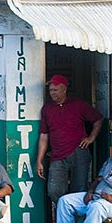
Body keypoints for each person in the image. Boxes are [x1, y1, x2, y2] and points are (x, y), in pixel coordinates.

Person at [36, 74, 104, 205]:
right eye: (50, 90)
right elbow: (44, 135)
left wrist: (91, 137)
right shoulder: (47, 109)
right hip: (57, 156)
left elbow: (98, 119)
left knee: (79, 191)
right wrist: (39, 160)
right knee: (54, 191)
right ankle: (66, 215)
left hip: (79, 152)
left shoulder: (78, 104)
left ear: (64, 89)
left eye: (55, 90)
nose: (52, 93)